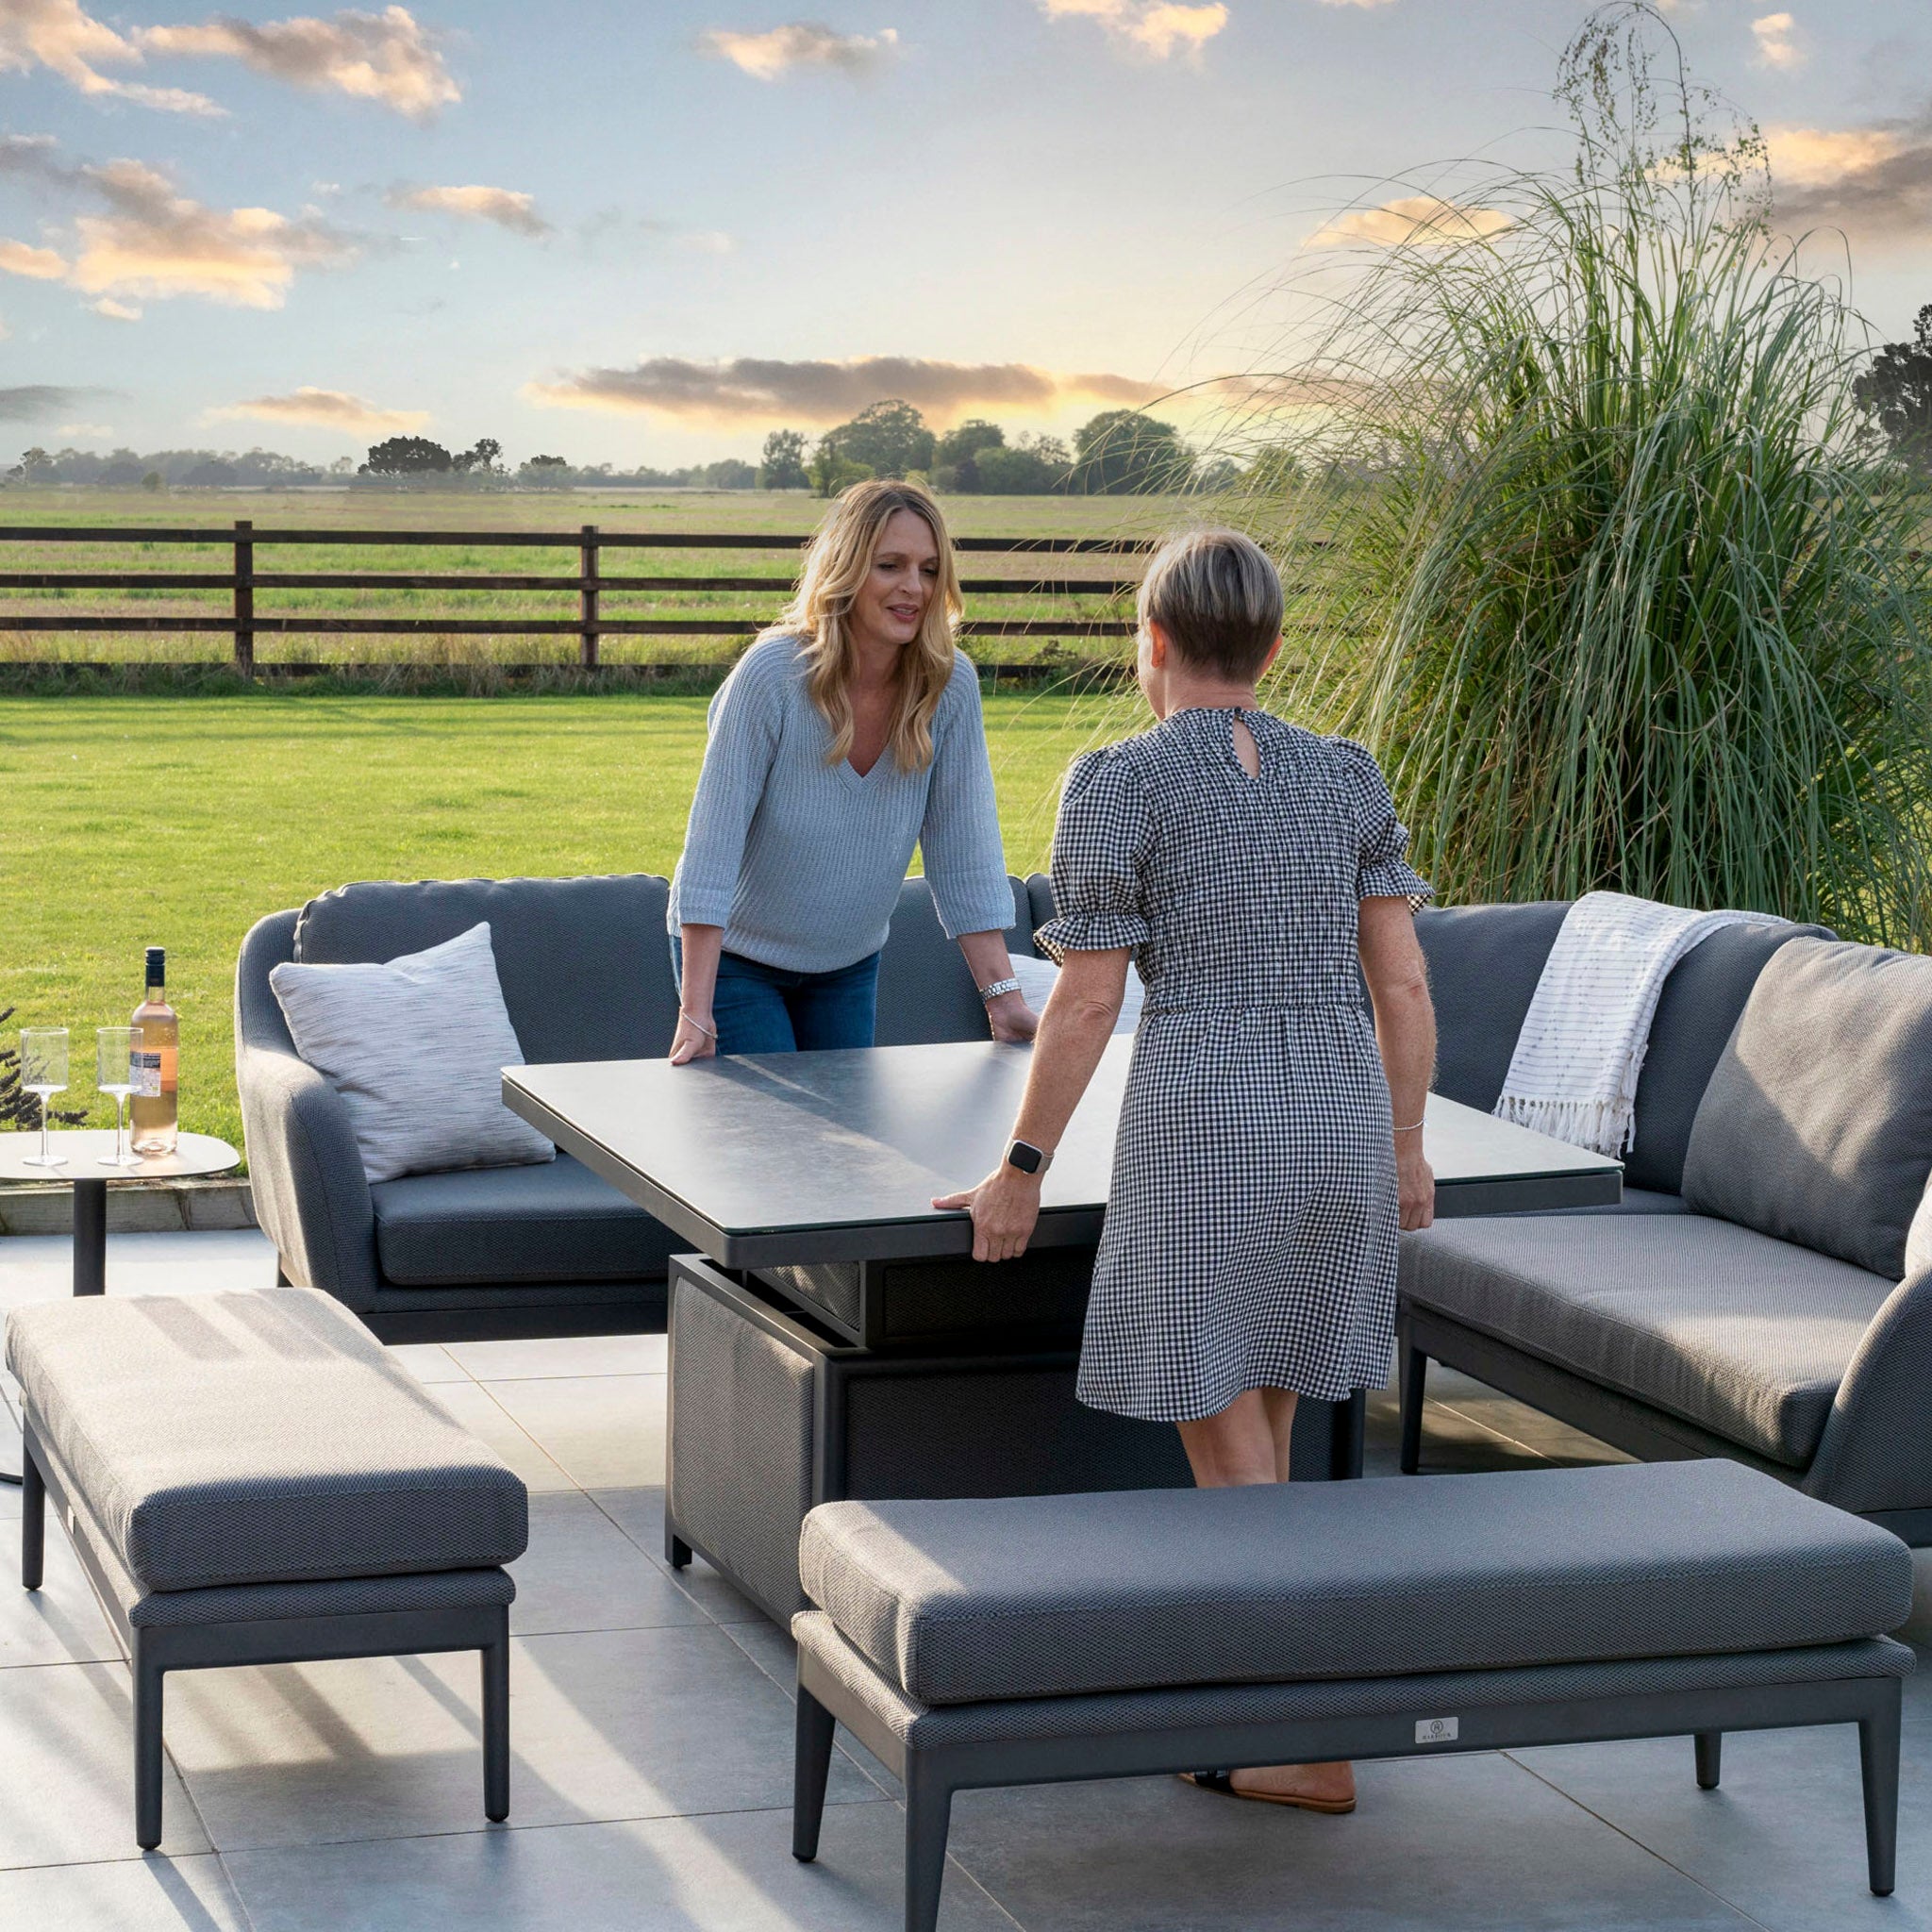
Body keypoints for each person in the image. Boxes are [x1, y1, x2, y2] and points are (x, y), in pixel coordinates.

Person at [934, 525, 1437, 1815]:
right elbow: (1404, 983)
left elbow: (1088, 1004)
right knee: (1260, 1427)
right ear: (1270, 647)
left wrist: (1020, 1168)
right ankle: (1271, 1716)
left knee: (1234, 1476)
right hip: (1334, 1125)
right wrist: (1406, 1148)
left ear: (1149, 642)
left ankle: (1309, 1740)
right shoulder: (1347, 774)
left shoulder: (1121, 781)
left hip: (1209, 1133)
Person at [667, 479, 1039, 1060]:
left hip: (847, 965)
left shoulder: (949, 685)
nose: (913, 588)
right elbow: (712, 847)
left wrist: (1003, 1000)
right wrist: (696, 1010)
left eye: (930, 569)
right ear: (846, 569)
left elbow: (965, 850)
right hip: (737, 962)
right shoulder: (772, 676)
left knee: (843, 1145)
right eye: (890, 565)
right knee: (773, 1146)